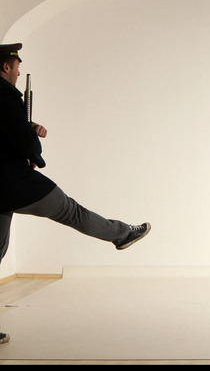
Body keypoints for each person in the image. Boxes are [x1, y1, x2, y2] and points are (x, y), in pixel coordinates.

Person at [0, 43, 151, 344]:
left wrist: (26, 126)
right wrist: (33, 146)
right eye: (16, 67)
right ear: (6, 66)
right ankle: (121, 234)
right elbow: (26, 145)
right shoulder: (7, 97)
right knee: (71, 211)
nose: (18, 72)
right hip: (14, 181)